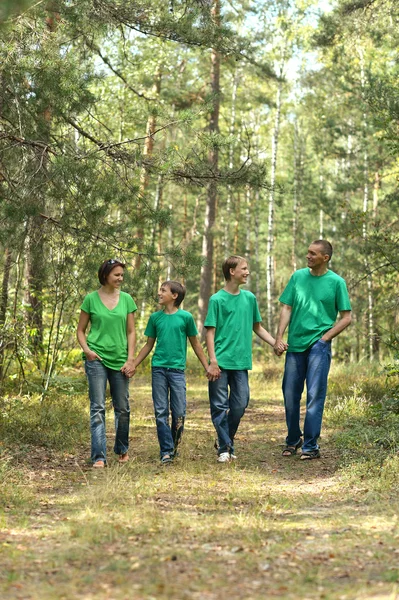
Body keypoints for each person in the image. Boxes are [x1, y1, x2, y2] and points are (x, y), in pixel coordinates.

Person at [274, 240, 352, 460]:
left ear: (325, 258)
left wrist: (325, 338)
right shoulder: (298, 277)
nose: (307, 256)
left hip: (319, 346)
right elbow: (287, 307)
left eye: (313, 253)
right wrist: (279, 337)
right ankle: (292, 439)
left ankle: (310, 445)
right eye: (307, 252)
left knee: (315, 395)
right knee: (290, 395)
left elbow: (346, 318)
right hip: (295, 345)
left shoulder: (336, 282)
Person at [132, 281, 216, 464]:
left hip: (177, 371)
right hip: (159, 370)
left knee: (179, 412)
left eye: (163, 290)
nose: (159, 293)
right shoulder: (155, 318)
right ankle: (166, 451)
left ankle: (174, 445)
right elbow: (148, 345)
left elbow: (195, 344)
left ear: (174, 296)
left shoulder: (186, 318)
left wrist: (207, 365)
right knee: (160, 411)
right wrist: (134, 364)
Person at [205, 255, 278, 463]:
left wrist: (274, 343)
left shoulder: (250, 299)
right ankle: (225, 448)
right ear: (232, 271)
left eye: (247, 269)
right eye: (244, 269)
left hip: (241, 362)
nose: (247, 272)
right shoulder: (216, 299)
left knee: (240, 403)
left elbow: (258, 327)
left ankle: (224, 440)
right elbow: (210, 332)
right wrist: (212, 360)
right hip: (220, 361)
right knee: (219, 406)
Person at [77, 259, 136, 468]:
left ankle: (121, 449)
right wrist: (87, 350)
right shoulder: (91, 299)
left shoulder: (127, 299)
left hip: (120, 360)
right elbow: (81, 330)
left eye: (122, 275)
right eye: (117, 275)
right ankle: (99, 456)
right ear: (105, 275)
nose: (120, 278)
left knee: (122, 407)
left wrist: (131, 359)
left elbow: (131, 331)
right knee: (97, 407)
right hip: (96, 359)